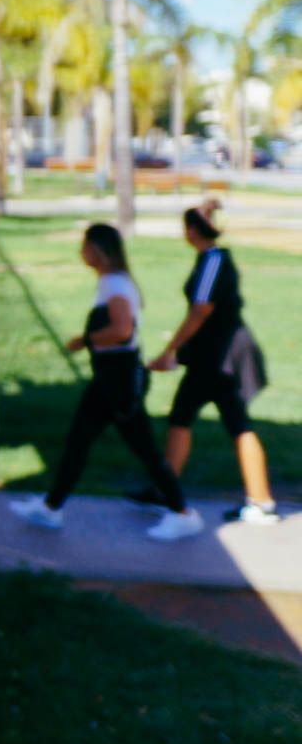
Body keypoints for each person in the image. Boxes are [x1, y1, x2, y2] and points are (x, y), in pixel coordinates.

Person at [12, 223, 204, 540]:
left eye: (85, 247)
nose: (81, 253)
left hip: (119, 382)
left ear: (98, 251)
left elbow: (122, 331)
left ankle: (183, 513)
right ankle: (50, 508)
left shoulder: (115, 284)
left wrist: (84, 339)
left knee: (145, 451)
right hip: (108, 380)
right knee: (78, 443)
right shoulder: (111, 282)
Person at [136, 204, 282, 525]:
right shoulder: (211, 259)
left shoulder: (213, 261)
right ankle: (171, 489)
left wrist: (170, 351)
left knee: (227, 423)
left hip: (220, 359)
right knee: (188, 417)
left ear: (191, 230)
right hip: (212, 356)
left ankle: (260, 501)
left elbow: (200, 310)